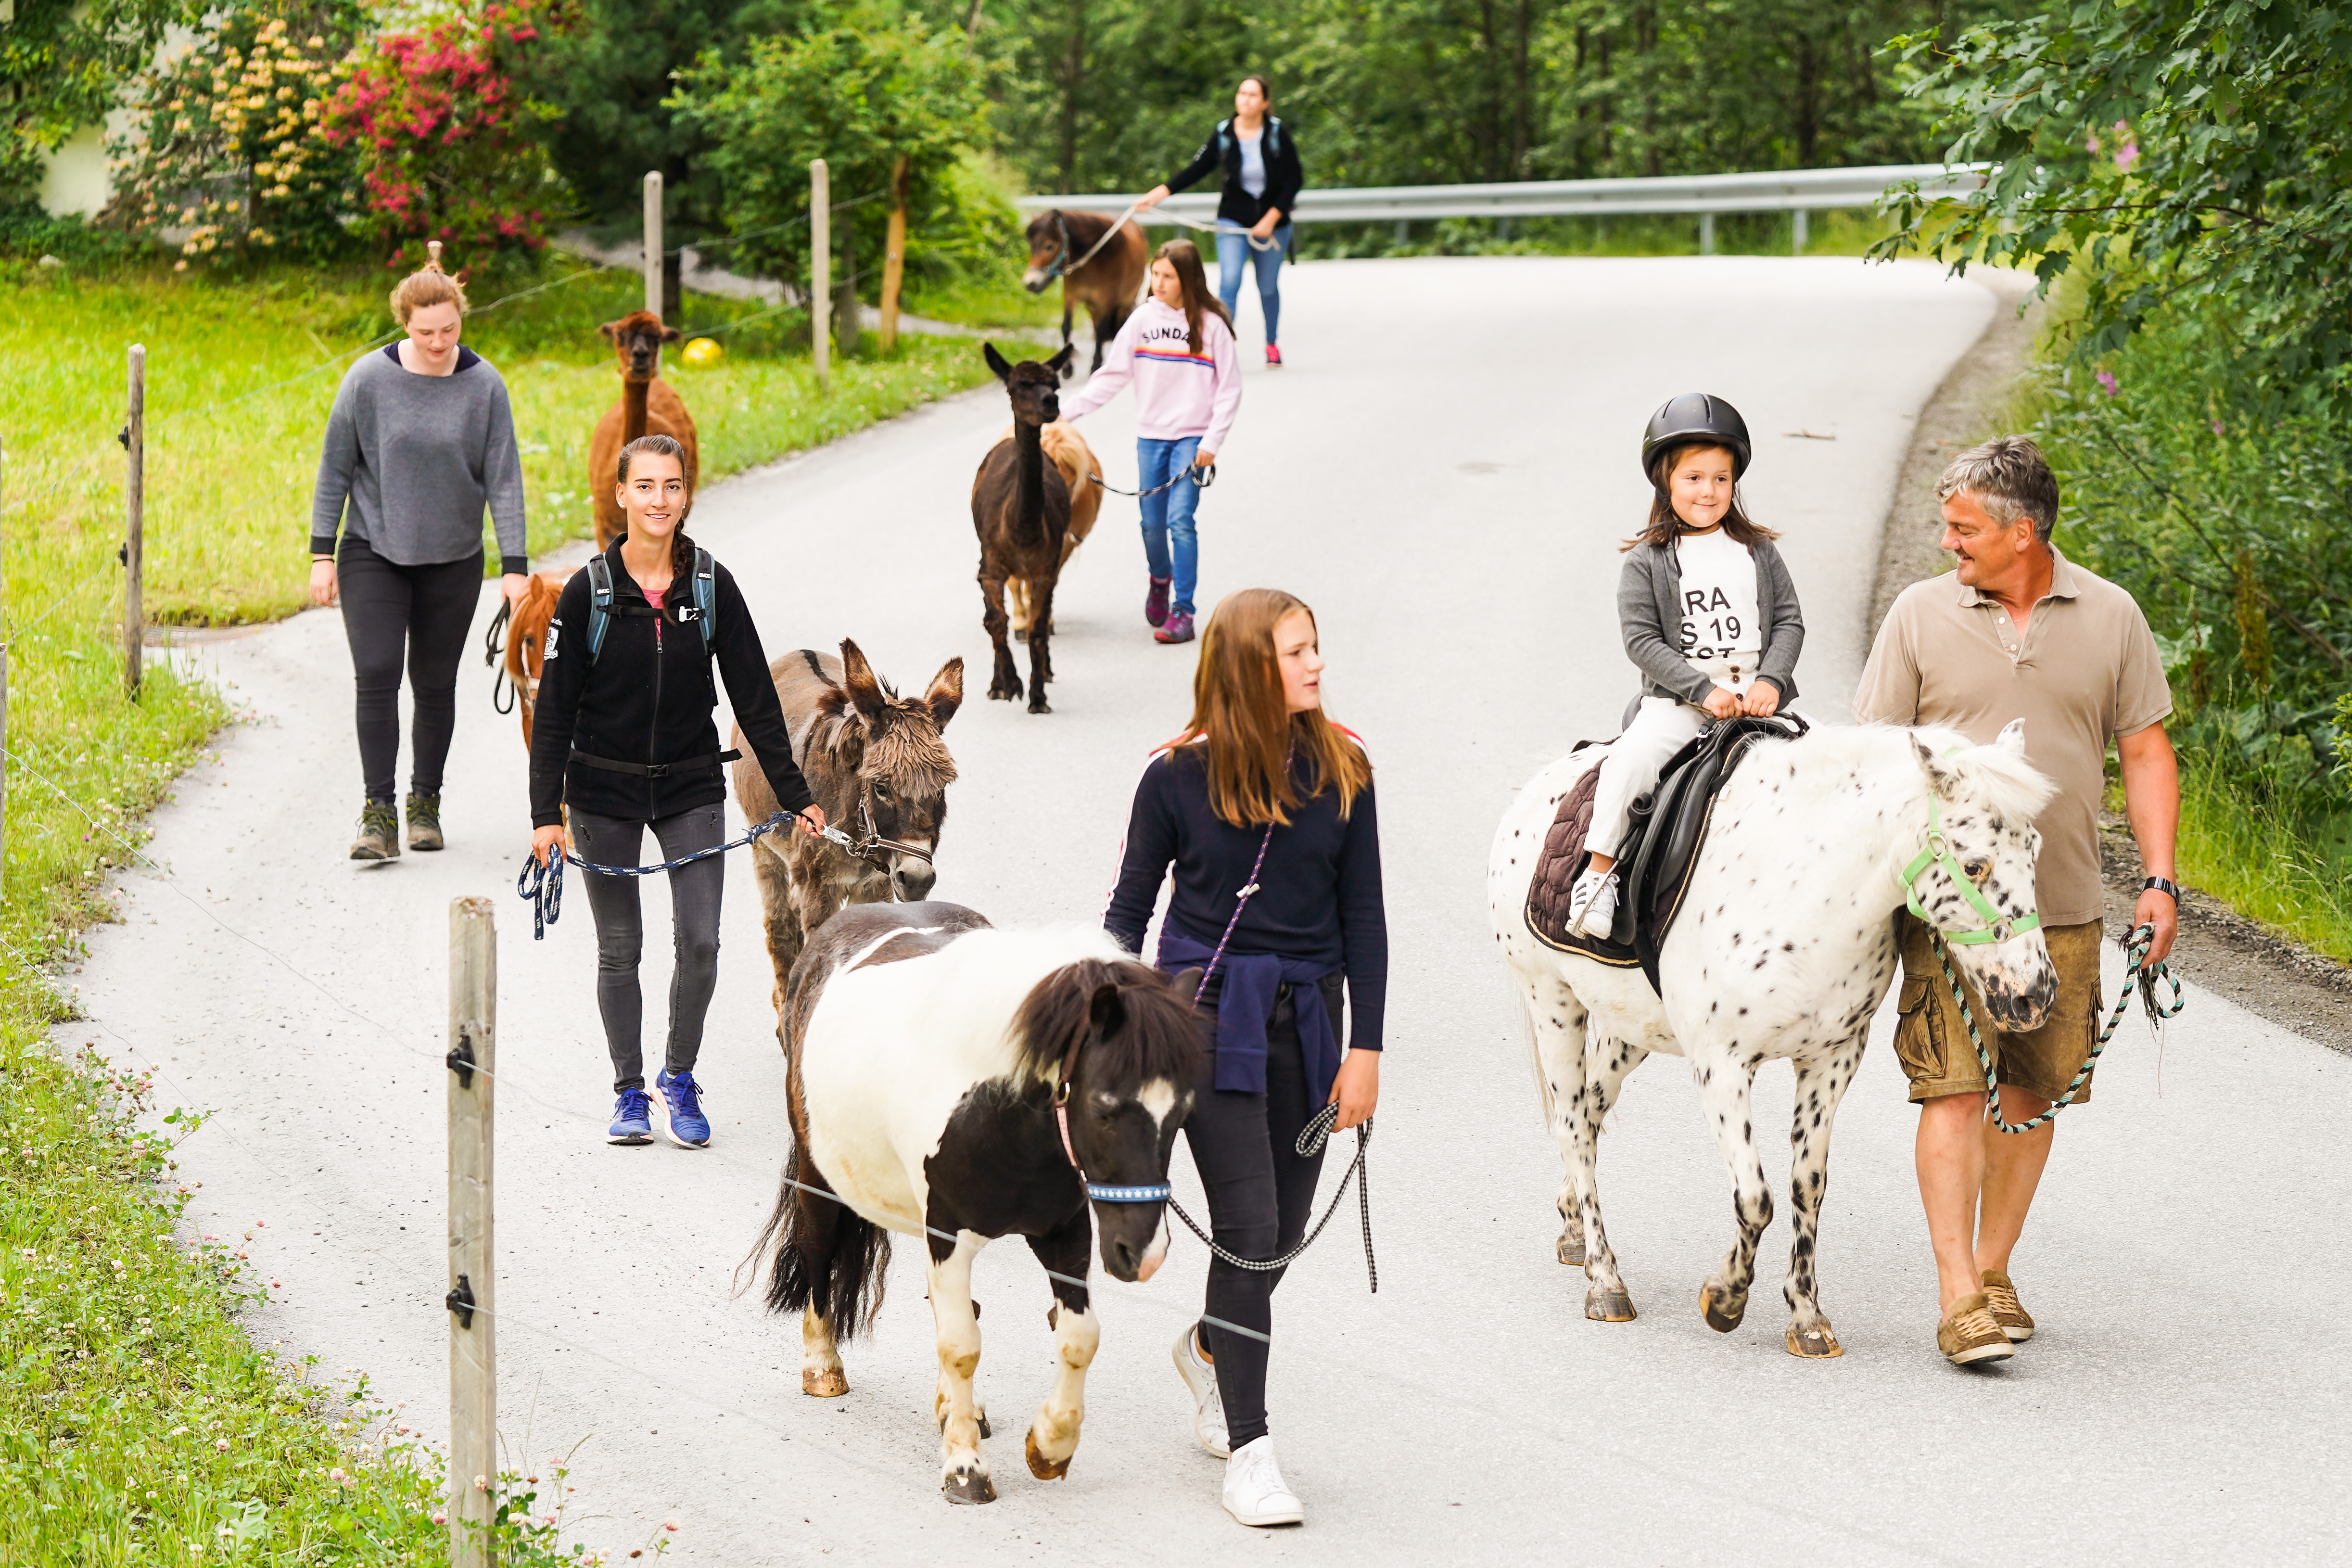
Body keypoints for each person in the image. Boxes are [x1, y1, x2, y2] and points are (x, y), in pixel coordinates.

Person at [1854, 434, 2179, 1366]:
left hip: (2063, 901)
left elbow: (2144, 753)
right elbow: (1874, 757)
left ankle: (1992, 1268)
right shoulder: (1918, 614)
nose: (1946, 541)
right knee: (1950, 1091)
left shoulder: (2110, 615)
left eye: (1962, 528)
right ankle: (1957, 1293)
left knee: (2030, 1092)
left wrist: (2156, 880)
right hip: (1948, 909)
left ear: (2021, 530)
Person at [1104, 587, 1386, 1529]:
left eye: (1315, 646)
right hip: (1206, 1025)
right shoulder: (1174, 778)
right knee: (1248, 1228)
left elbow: (1363, 921)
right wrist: (1110, 1028)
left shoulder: (1345, 770)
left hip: (1309, 1024)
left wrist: (1365, 1051)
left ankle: (1212, 1349)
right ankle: (1251, 1451)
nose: (1313, 663)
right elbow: (1125, 915)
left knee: (1276, 1240)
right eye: (1294, 651)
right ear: (1245, 669)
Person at [527, 434, 826, 1149]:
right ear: (622, 495)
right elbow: (555, 713)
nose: (659, 499)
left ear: (685, 495)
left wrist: (797, 796)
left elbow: (756, 702)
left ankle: (678, 1075)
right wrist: (547, 815)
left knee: (700, 943)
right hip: (603, 792)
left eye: (672, 486)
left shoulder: (711, 587)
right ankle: (629, 1090)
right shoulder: (588, 592)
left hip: (691, 786)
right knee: (619, 947)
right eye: (646, 486)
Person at [311, 253, 532, 861]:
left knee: (434, 684)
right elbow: (334, 469)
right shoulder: (366, 380)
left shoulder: (484, 385)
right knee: (377, 673)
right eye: (424, 332)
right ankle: (377, 813)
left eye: (448, 331)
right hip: (372, 548)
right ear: (404, 324)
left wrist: (515, 567)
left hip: (453, 555)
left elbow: (504, 478)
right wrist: (320, 555)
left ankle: (424, 804)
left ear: (462, 319)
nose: (438, 343)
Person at [1567, 393, 1806, 937]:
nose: (1708, 491)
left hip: (1756, 700)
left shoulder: (1758, 551)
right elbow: (1641, 641)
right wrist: (1701, 690)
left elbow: (1789, 620)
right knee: (1629, 761)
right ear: (1666, 482)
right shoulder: (1647, 560)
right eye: (1694, 478)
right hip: (1680, 704)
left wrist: (1771, 678)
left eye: (1720, 479)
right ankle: (1599, 872)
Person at [1055, 239, 1242, 647]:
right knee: (1151, 524)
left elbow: (1229, 389)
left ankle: (1184, 611)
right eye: (1155, 275)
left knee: (1180, 521)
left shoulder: (1212, 326)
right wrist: (1065, 413)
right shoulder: (1142, 320)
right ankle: (1160, 579)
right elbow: (1112, 375)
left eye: (1168, 277)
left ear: (1187, 279)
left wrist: (1211, 442)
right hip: (1151, 438)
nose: (1158, 283)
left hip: (1192, 439)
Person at [1135, 75, 1302, 367]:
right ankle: (1220, 347)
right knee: (1230, 281)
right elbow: (1198, 168)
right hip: (1233, 219)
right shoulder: (1225, 132)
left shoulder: (1277, 134)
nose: (1245, 100)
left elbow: (1294, 179)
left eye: (1253, 95)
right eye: (1242, 94)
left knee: (1267, 287)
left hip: (1273, 225)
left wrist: (1271, 218)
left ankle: (1272, 343)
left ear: (1265, 103)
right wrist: (1157, 195)